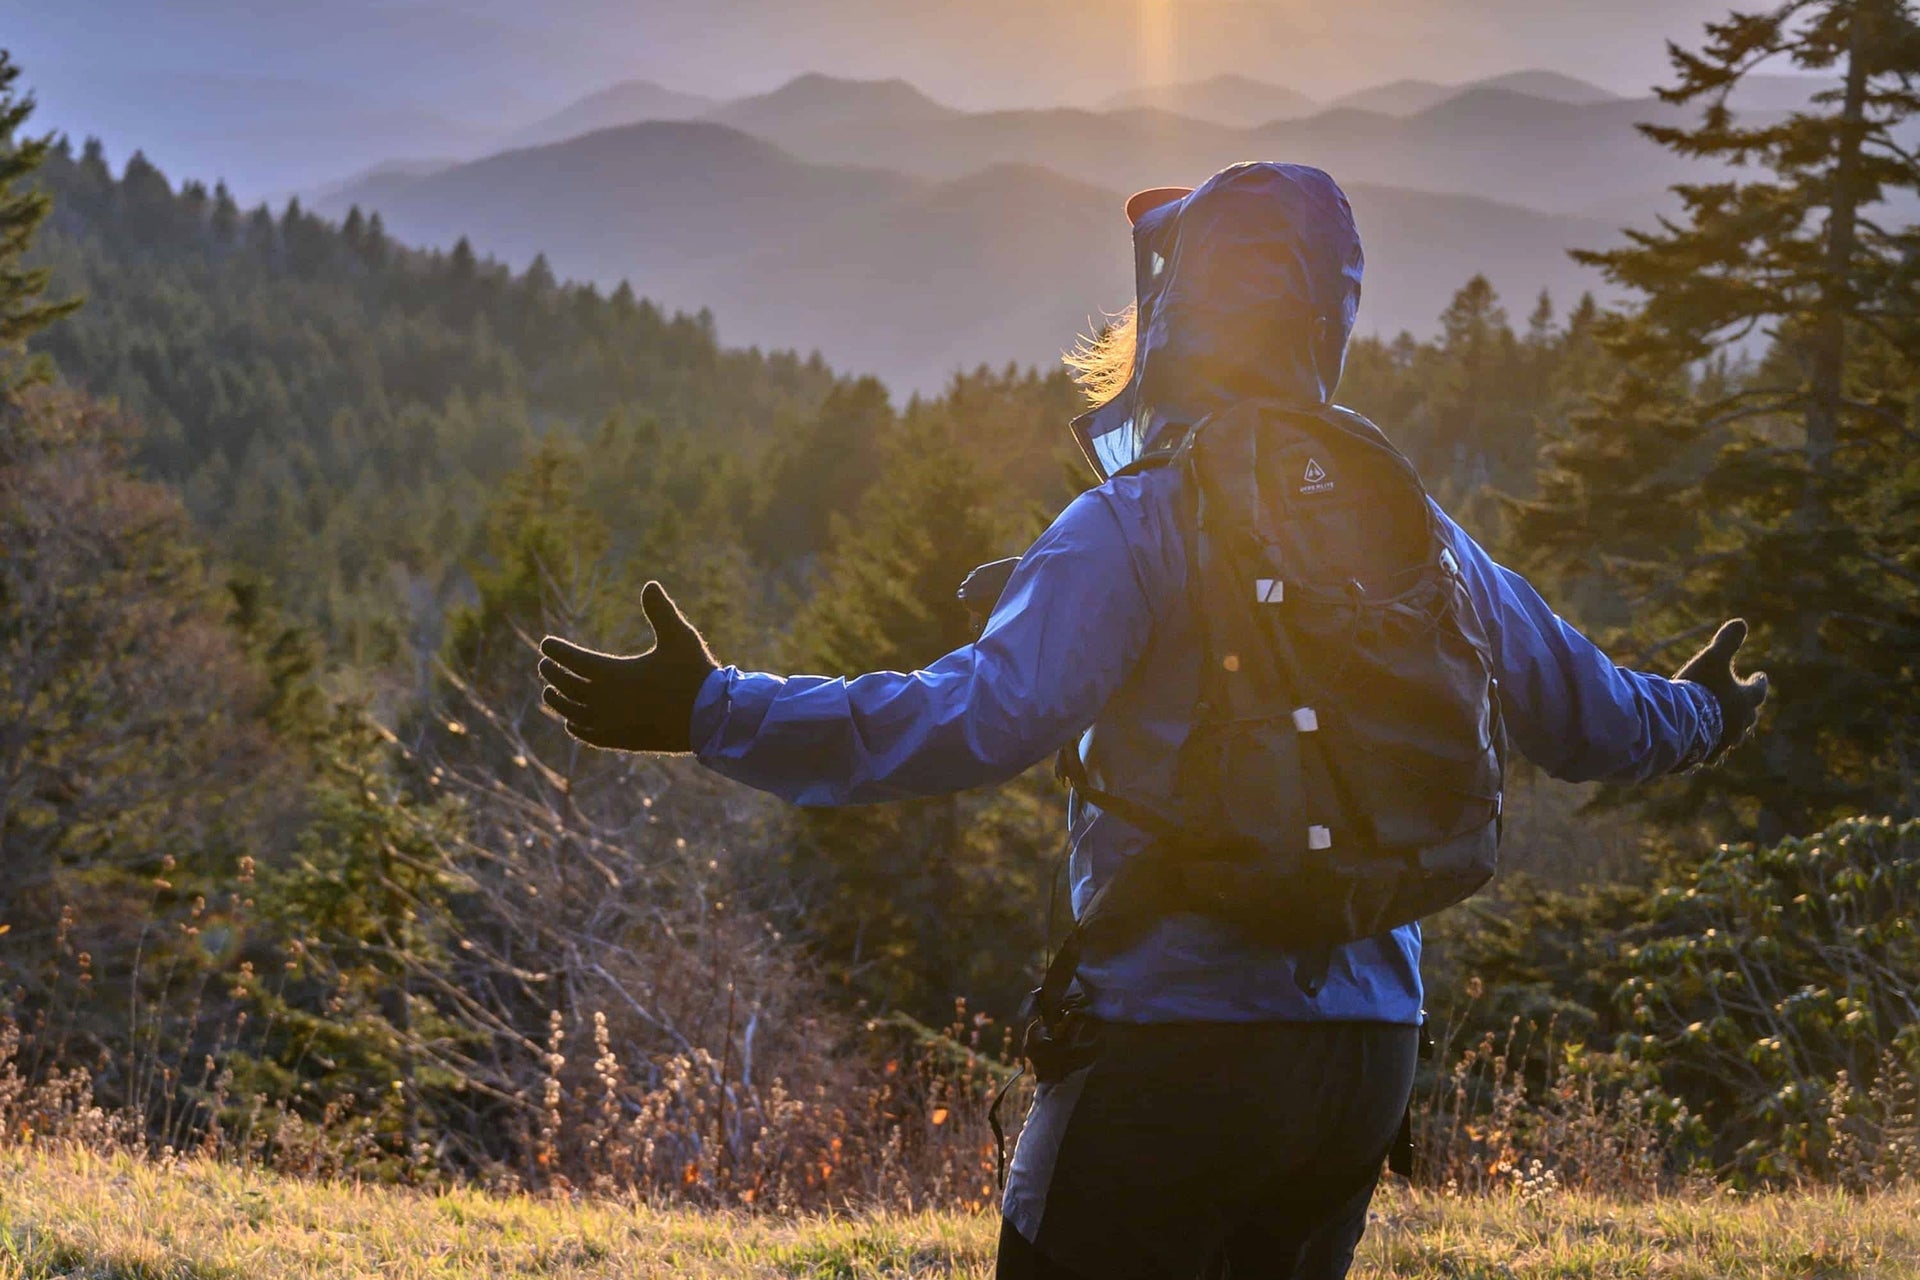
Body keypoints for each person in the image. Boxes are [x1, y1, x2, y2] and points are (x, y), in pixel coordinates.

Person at [535, 162, 1769, 1280]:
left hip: (1176, 1046)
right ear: (1327, 315)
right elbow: (1594, 716)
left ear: (1180, 312)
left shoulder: (1135, 518)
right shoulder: (1413, 527)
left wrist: (715, 706)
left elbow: (967, 720)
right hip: (1366, 1058)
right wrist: (1704, 709)